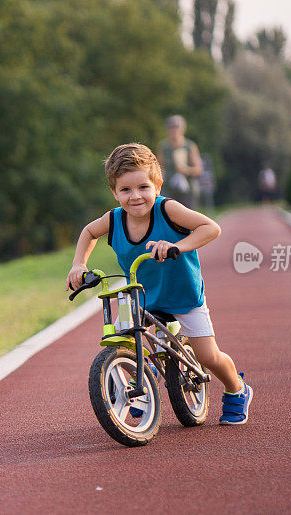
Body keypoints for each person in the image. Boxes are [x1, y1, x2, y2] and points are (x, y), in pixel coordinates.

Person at [66, 143, 253, 425]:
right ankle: (143, 384)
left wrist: (178, 245)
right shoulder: (115, 219)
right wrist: (78, 264)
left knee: (208, 355)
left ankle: (237, 390)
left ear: (157, 185)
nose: (135, 196)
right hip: (141, 295)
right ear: (114, 192)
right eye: (125, 190)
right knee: (123, 339)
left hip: (184, 295)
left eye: (143, 187)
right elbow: (89, 231)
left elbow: (211, 228)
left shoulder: (168, 210)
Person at [158, 115, 203, 208]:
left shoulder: (190, 146)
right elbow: (159, 167)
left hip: (187, 190)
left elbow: (199, 169)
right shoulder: (163, 146)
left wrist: (186, 170)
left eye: (176, 127)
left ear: (183, 129)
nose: (174, 130)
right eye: (171, 127)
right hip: (169, 190)